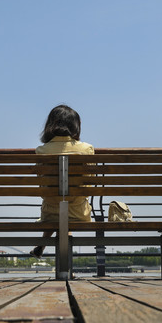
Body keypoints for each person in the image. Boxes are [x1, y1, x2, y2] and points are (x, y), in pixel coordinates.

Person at [30, 104, 94, 259]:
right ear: (75, 126)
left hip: (49, 212)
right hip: (78, 212)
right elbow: (89, 184)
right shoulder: (86, 149)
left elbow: (41, 185)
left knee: (58, 206)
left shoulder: (41, 151)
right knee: (66, 207)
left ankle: (42, 246)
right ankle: (66, 264)